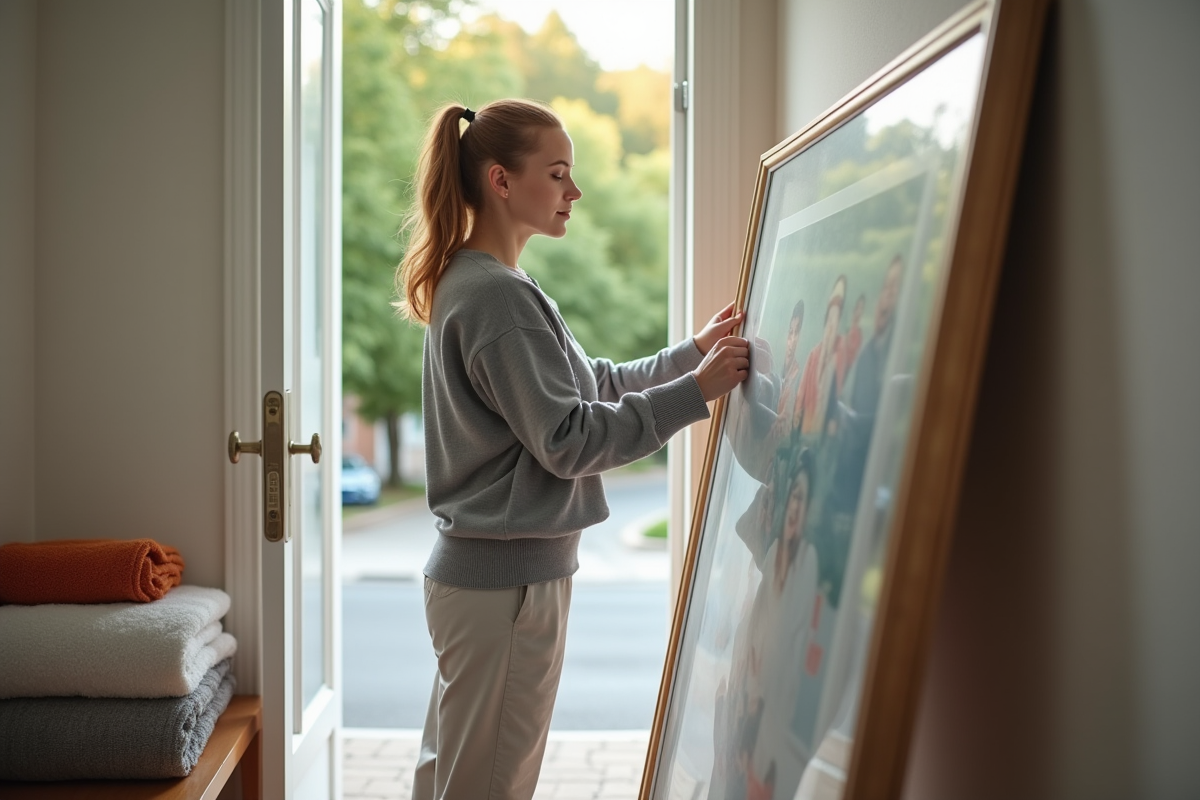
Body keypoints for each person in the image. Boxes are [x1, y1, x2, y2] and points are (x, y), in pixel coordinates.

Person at [395, 98, 750, 800]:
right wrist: (695, 394)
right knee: (488, 785)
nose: (574, 192)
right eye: (558, 174)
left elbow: (594, 387)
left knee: (454, 778)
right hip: (506, 587)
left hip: (490, 582)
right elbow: (570, 437)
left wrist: (694, 357)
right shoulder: (496, 297)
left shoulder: (495, 284)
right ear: (501, 180)